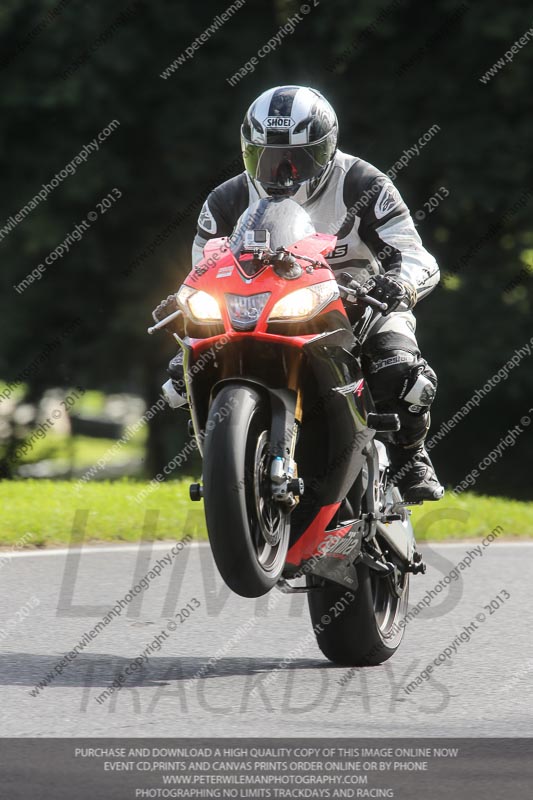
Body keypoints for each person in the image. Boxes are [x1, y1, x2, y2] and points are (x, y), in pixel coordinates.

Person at [155, 85, 444, 502]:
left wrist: (400, 282)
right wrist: (182, 298)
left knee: (401, 369)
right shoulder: (226, 199)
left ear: (327, 149)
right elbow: (202, 267)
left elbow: (415, 254)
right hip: (259, 307)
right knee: (180, 378)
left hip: (359, 302)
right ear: (247, 151)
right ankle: (232, 457)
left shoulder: (364, 183)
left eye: (297, 158)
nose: (282, 172)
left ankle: (411, 455)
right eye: (267, 158)